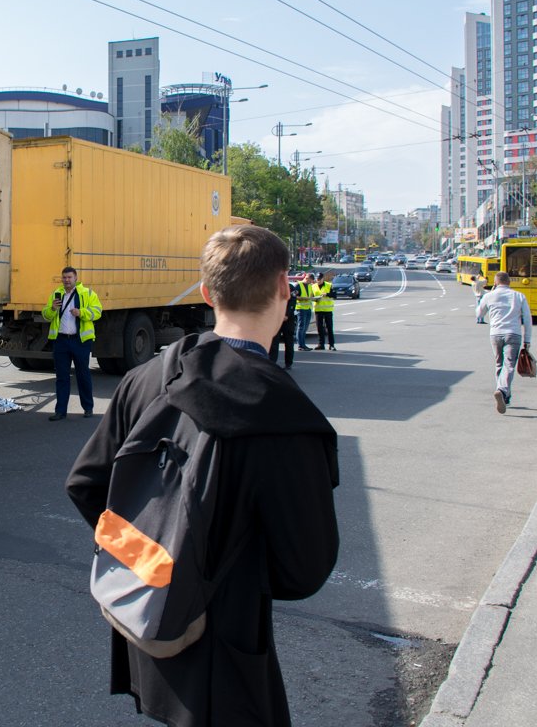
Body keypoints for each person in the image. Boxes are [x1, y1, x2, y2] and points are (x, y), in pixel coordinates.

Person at [65, 225, 339, 727]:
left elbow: (86, 484)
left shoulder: (148, 376)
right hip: (230, 641)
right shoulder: (288, 418)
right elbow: (305, 569)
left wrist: (154, 559)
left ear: (208, 293)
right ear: (284, 289)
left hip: (150, 617)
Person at [42, 266, 102, 420]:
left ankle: (88, 408)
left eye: (69, 277)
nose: (67, 280)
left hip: (80, 341)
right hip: (61, 341)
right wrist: (53, 309)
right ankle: (60, 411)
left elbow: (98, 311)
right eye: (64, 278)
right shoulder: (56, 294)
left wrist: (81, 313)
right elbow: (46, 315)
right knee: (62, 377)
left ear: (76, 278)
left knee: (83, 375)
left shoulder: (87, 293)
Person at [476, 271, 533, 414]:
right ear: (509, 282)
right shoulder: (519, 296)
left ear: (495, 283)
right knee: (509, 365)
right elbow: (527, 319)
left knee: (499, 364)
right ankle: (502, 390)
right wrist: (527, 339)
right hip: (513, 334)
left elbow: (479, 314)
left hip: (495, 334)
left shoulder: (489, 296)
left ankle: (505, 395)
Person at [268, 278, 298, 370]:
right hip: (276, 318)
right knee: (274, 342)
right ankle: (272, 362)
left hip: (287, 319)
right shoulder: (272, 287)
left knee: (288, 341)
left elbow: (292, 302)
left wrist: (286, 314)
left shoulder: (290, 287)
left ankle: (288, 363)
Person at [313, 272, 336, 350]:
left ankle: (331, 345)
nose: (318, 280)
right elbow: (311, 296)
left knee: (329, 328)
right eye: (317, 279)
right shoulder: (313, 286)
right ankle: (321, 344)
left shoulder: (329, 285)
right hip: (318, 310)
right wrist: (315, 299)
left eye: (319, 279)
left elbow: (334, 295)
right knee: (319, 328)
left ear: (323, 278)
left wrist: (327, 294)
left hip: (327, 310)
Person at [294, 272, 317, 351]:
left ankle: (303, 344)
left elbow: (310, 296)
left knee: (305, 328)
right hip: (300, 308)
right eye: (310, 281)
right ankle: (300, 345)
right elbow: (295, 296)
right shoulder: (298, 285)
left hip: (308, 308)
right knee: (301, 327)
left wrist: (314, 298)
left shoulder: (309, 286)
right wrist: (305, 298)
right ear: (307, 278)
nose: (310, 283)